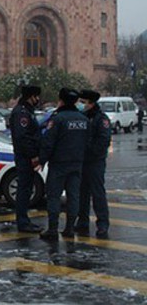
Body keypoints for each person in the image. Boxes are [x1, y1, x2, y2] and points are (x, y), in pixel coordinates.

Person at [37, 88, 89, 241]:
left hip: (59, 164)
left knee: (54, 196)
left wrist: (42, 160)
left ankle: (53, 229)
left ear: (61, 100)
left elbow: (48, 142)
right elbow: (88, 142)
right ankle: (70, 228)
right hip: (77, 163)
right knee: (73, 196)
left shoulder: (58, 119)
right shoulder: (83, 119)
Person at [75, 90, 112, 239]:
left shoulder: (101, 119)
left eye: (83, 102)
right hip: (82, 161)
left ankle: (102, 223)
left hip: (95, 162)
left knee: (97, 193)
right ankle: (82, 221)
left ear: (91, 103)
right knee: (82, 193)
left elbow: (103, 141)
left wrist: (89, 152)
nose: (81, 104)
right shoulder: (82, 118)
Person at [9, 85, 43, 233]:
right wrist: (33, 155)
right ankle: (22, 222)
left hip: (27, 157)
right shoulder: (22, 113)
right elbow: (22, 137)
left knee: (27, 189)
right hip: (25, 158)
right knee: (24, 190)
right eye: (36, 96)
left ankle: (24, 220)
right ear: (31, 96)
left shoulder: (28, 112)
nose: (38, 99)